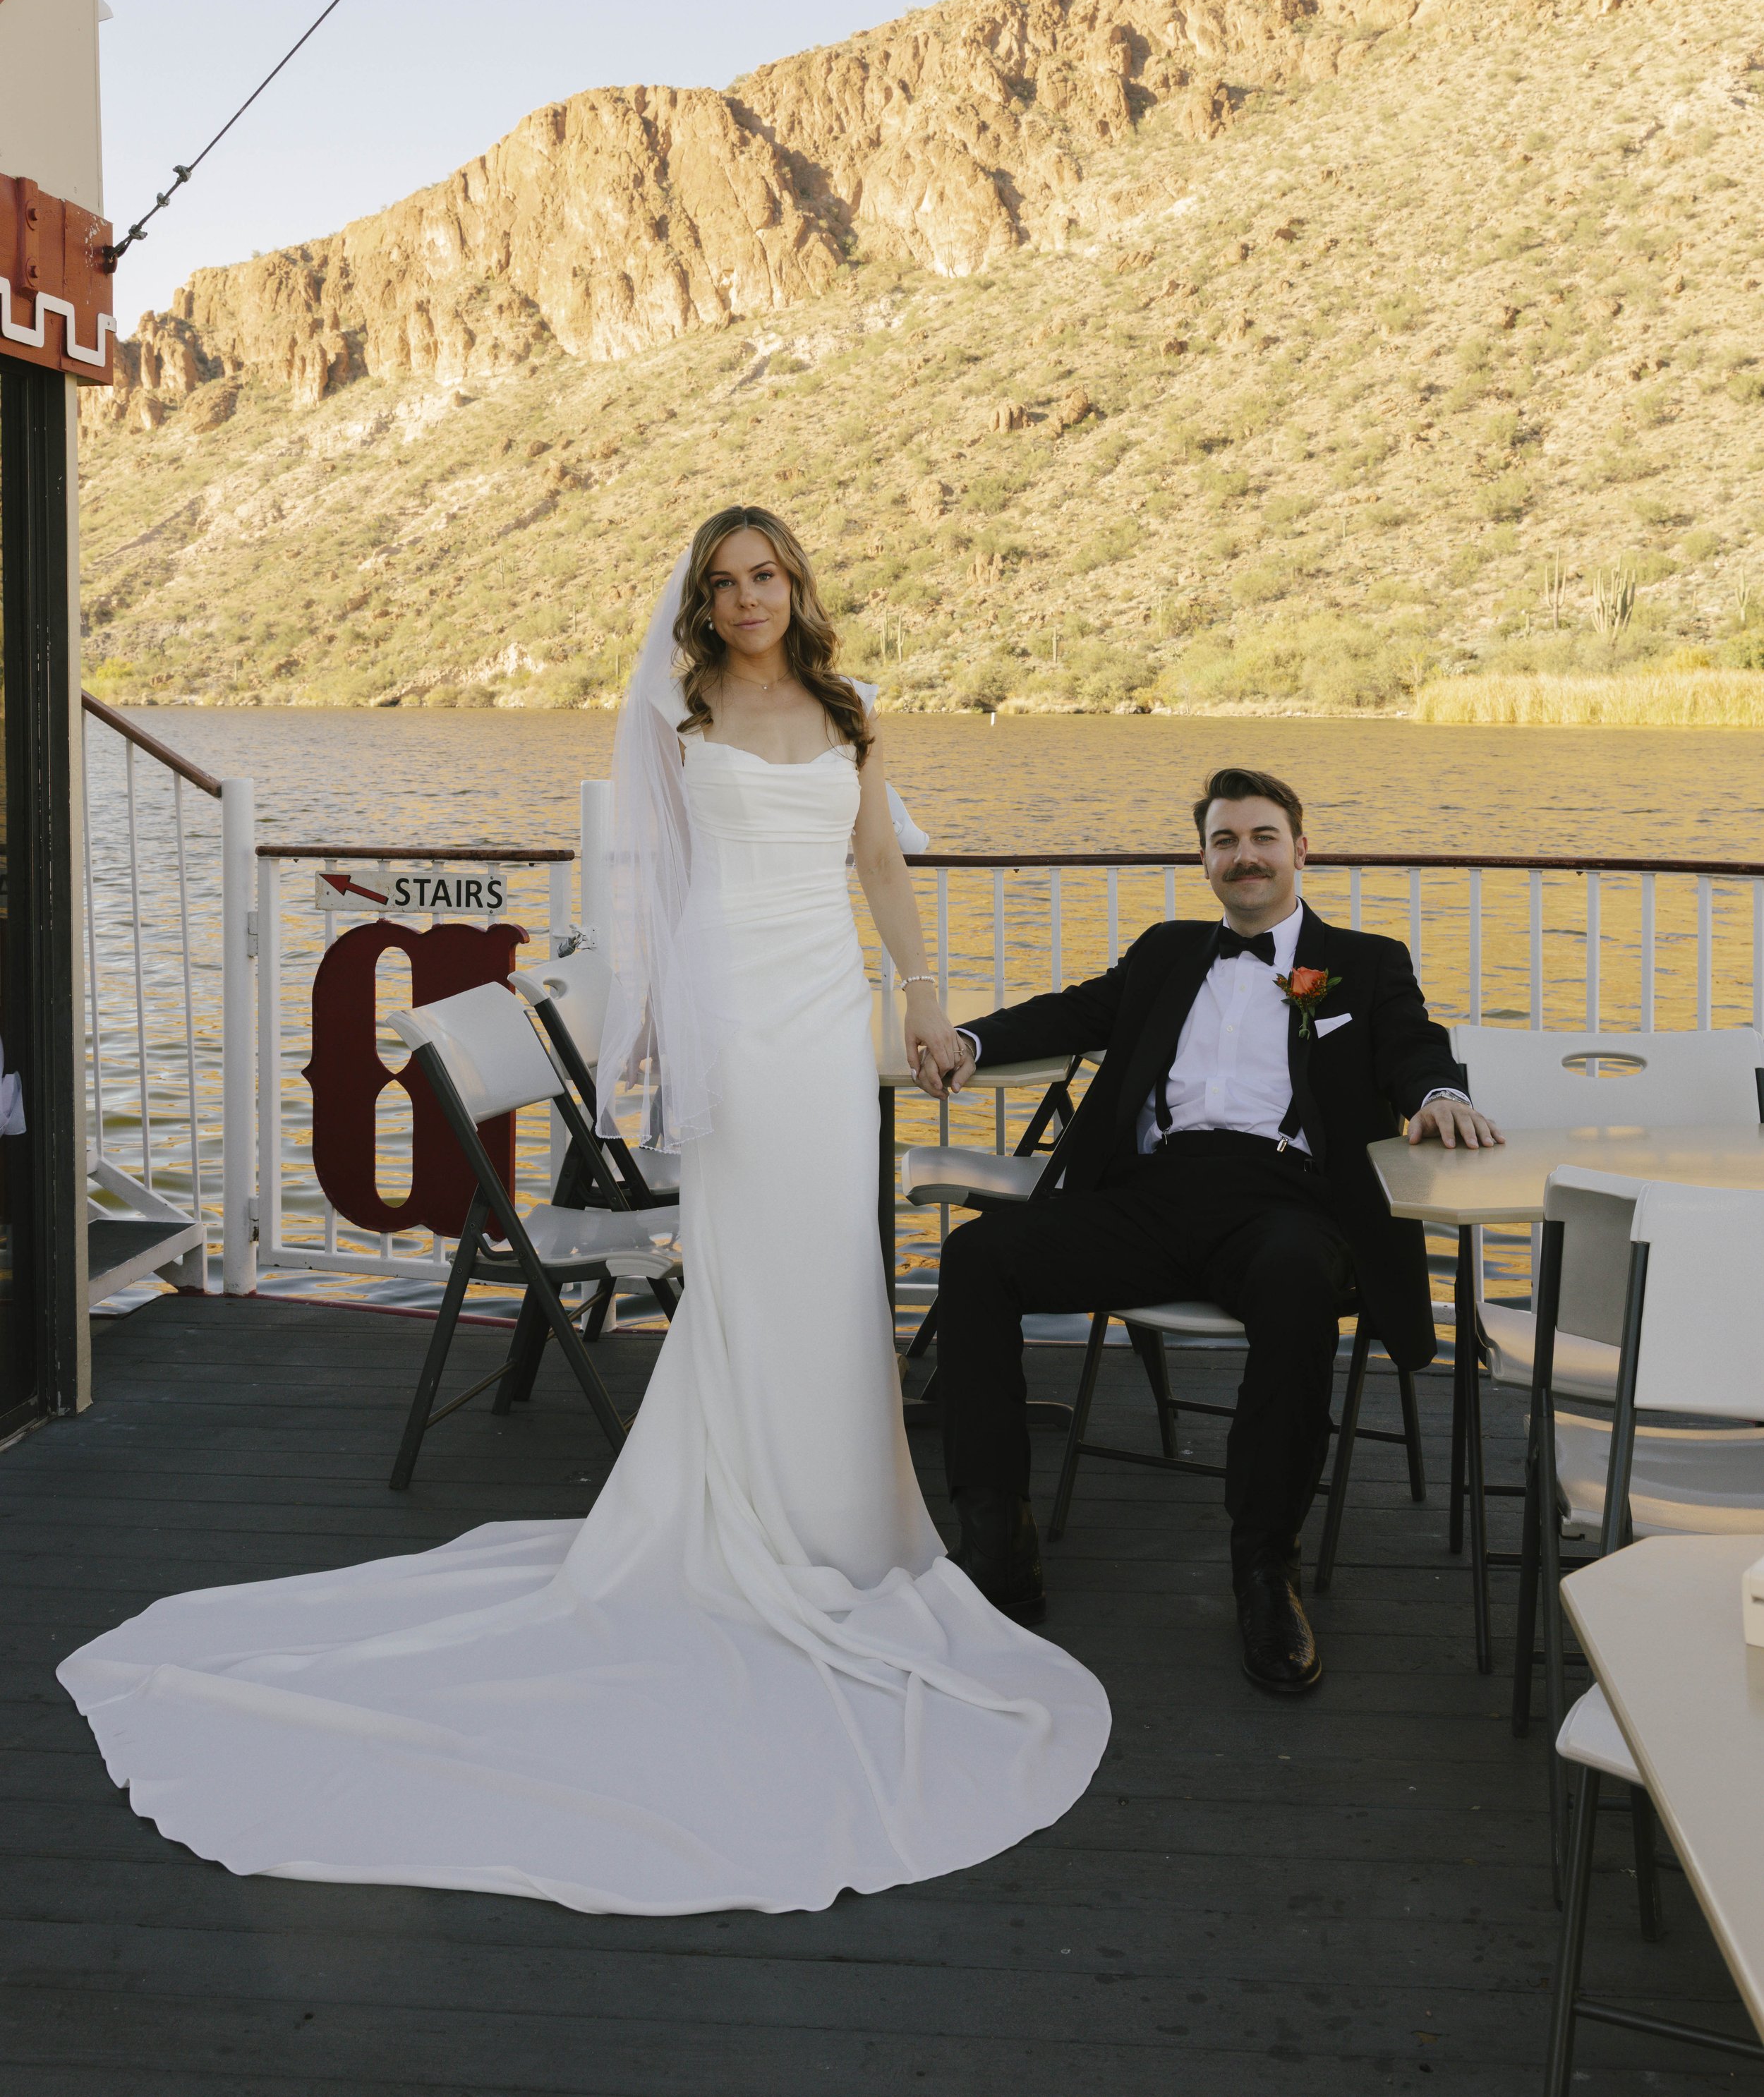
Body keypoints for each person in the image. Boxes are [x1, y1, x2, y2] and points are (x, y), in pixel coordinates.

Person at [58, 506, 1108, 1916]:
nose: (745, 597)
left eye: (763, 574)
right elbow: (660, 896)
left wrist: (922, 1002)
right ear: (702, 601)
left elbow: (876, 870)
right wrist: (667, 1031)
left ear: (793, 581)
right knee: (755, 1266)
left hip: (824, 1012)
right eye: (723, 581)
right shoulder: (680, 718)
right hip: (736, 1011)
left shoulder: (849, 708)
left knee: (837, 1268)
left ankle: (850, 1522)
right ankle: (749, 1522)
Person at [925, 766, 1503, 1698]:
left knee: (1295, 1283)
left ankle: (1263, 1568)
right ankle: (998, 1542)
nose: (1245, 856)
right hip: (1152, 1196)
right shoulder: (1166, 951)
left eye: (1262, 837)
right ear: (1203, 859)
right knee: (978, 1255)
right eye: (1225, 841)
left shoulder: (1364, 958)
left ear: (1300, 849)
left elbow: (1410, 1043)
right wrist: (971, 1042)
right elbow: (1077, 1011)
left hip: (1286, 1201)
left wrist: (1439, 1094)